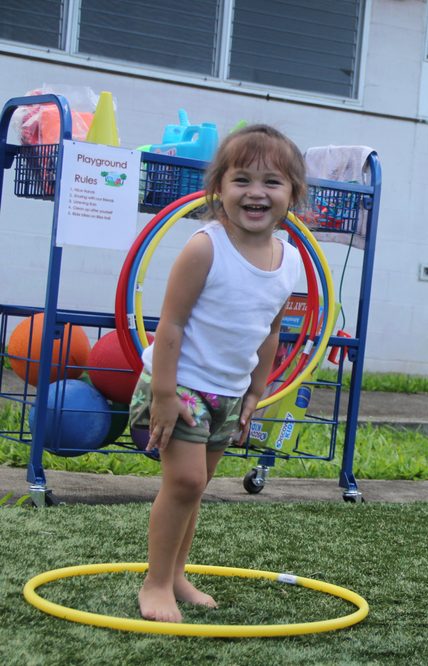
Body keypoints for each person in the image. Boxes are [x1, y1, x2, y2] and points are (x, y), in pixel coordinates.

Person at [129, 124, 306, 622]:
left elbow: (270, 331)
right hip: (178, 385)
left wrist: (256, 391)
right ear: (218, 189)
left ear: (293, 193)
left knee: (196, 486)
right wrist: (163, 394)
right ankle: (156, 583)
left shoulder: (289, 260)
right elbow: (172, 324)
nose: (255, 192)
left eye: (272, 182)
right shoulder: (205, 247)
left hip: (228, 393)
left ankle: (177, 573)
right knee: (183, 482)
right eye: (241, 179)